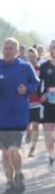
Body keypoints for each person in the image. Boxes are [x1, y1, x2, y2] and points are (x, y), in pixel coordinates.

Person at [0, 38, 40, 194]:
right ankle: (10, 183)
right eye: (5, 48)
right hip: (2, 117)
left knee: (13, 150)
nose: (7, 51)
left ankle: (19, 175)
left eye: (11, 48)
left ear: (17, 51)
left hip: (19, 116)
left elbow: (35, 84)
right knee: (5, 154)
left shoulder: (25, 67)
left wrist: (27, 90)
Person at [39, 40, 55, 170]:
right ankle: (51, 157)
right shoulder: (44, 67)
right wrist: (41, 95)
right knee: (49, 139)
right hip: (48, 106)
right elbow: (38, 84)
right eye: (52, 47)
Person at [25, 47, 43, 157]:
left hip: (37, 101)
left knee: (36, 125)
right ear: (27, 58)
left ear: (37, 58)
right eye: (29, 57)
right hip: (26, 102)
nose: (31, 59)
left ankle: (32, 148)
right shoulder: (24, 69)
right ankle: (28, 131)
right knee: (28, 125)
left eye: (33, 57)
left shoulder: (40, 69)